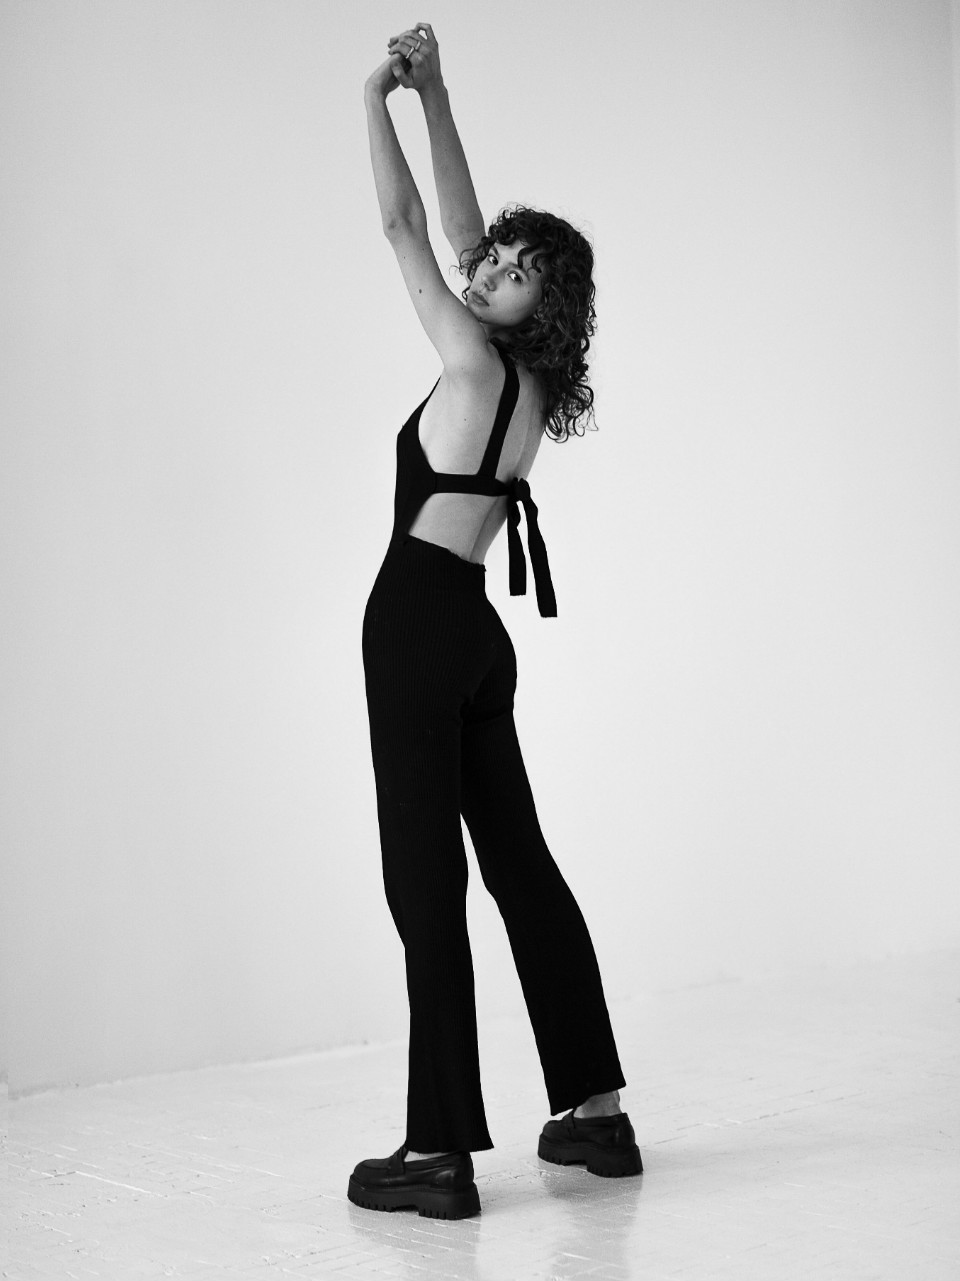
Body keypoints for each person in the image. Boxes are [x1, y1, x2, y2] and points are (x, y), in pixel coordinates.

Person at [348, 23, 642, 1220]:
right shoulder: (531, 380)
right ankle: (596, 1114)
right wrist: (439, 95)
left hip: (419, 625)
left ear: (540, 302)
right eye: (497, 257)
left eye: (515, 268)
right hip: (478, 639)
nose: (487, 269)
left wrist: (373, 99)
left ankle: (437, 1153)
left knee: (427, 885)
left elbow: (406, 229)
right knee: (520, 866)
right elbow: (465, 239)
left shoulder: (470, 364)